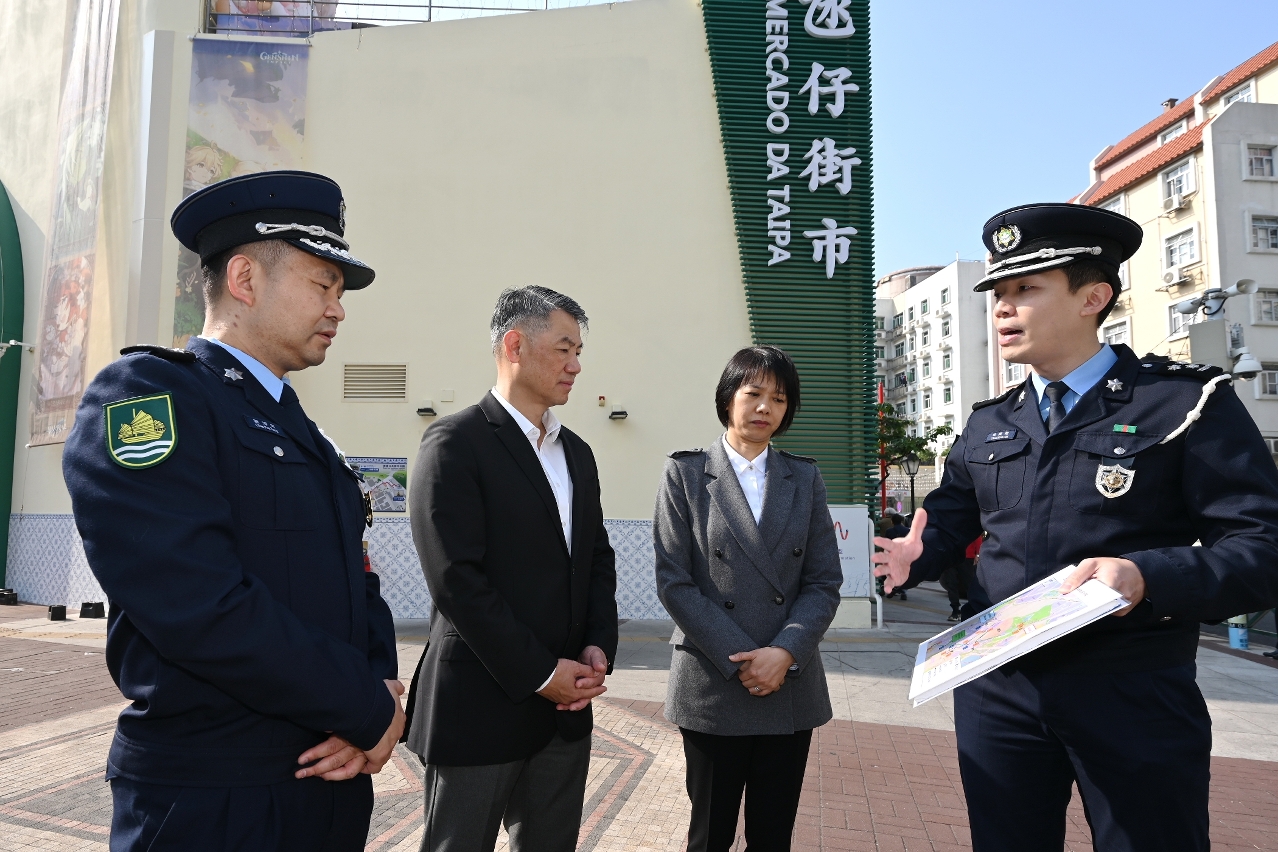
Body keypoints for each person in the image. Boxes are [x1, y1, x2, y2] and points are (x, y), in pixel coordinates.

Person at [873, 202, 1278, 852]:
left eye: (1025, 289)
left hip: (1131, 687)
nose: (1003, 309)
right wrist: (910, 558)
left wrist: (1148, 575)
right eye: (998, 294)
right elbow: (945, 523)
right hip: (999, 687)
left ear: (1094, 297)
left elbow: (1262, 549)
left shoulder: (1184, 403)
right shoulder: (989, 422)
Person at [62, 170, 405, 851]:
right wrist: (361, 706)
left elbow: (357, 584)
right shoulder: (149, 397)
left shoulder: (307, 435)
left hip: (328, 780)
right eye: (323, 285)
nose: (337, 309)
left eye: (340, 292)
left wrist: (379, 699)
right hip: (213, 797)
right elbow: (193, 600)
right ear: (245, 279)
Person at [403, 286, 618, 852]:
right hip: (479, 706)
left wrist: (598, 644)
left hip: (565, 713)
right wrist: (542, 673)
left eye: (579, 352)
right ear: (515, 345)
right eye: (564, 349)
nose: (576, 366)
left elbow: (596, 558)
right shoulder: (455, 442)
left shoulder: (577, 454)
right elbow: (456, 580)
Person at [654, 345, 842, 852]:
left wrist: (784, 652)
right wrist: (743, 658)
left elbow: (823, 581)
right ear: (727, 398)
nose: (765, 407)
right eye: (753, 393)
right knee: (709, 836)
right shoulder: (687, 473)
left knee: (772, 836)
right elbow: (674, 581)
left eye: (779, 398)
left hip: (788, 682)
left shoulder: (804, 477)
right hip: (714, 680)